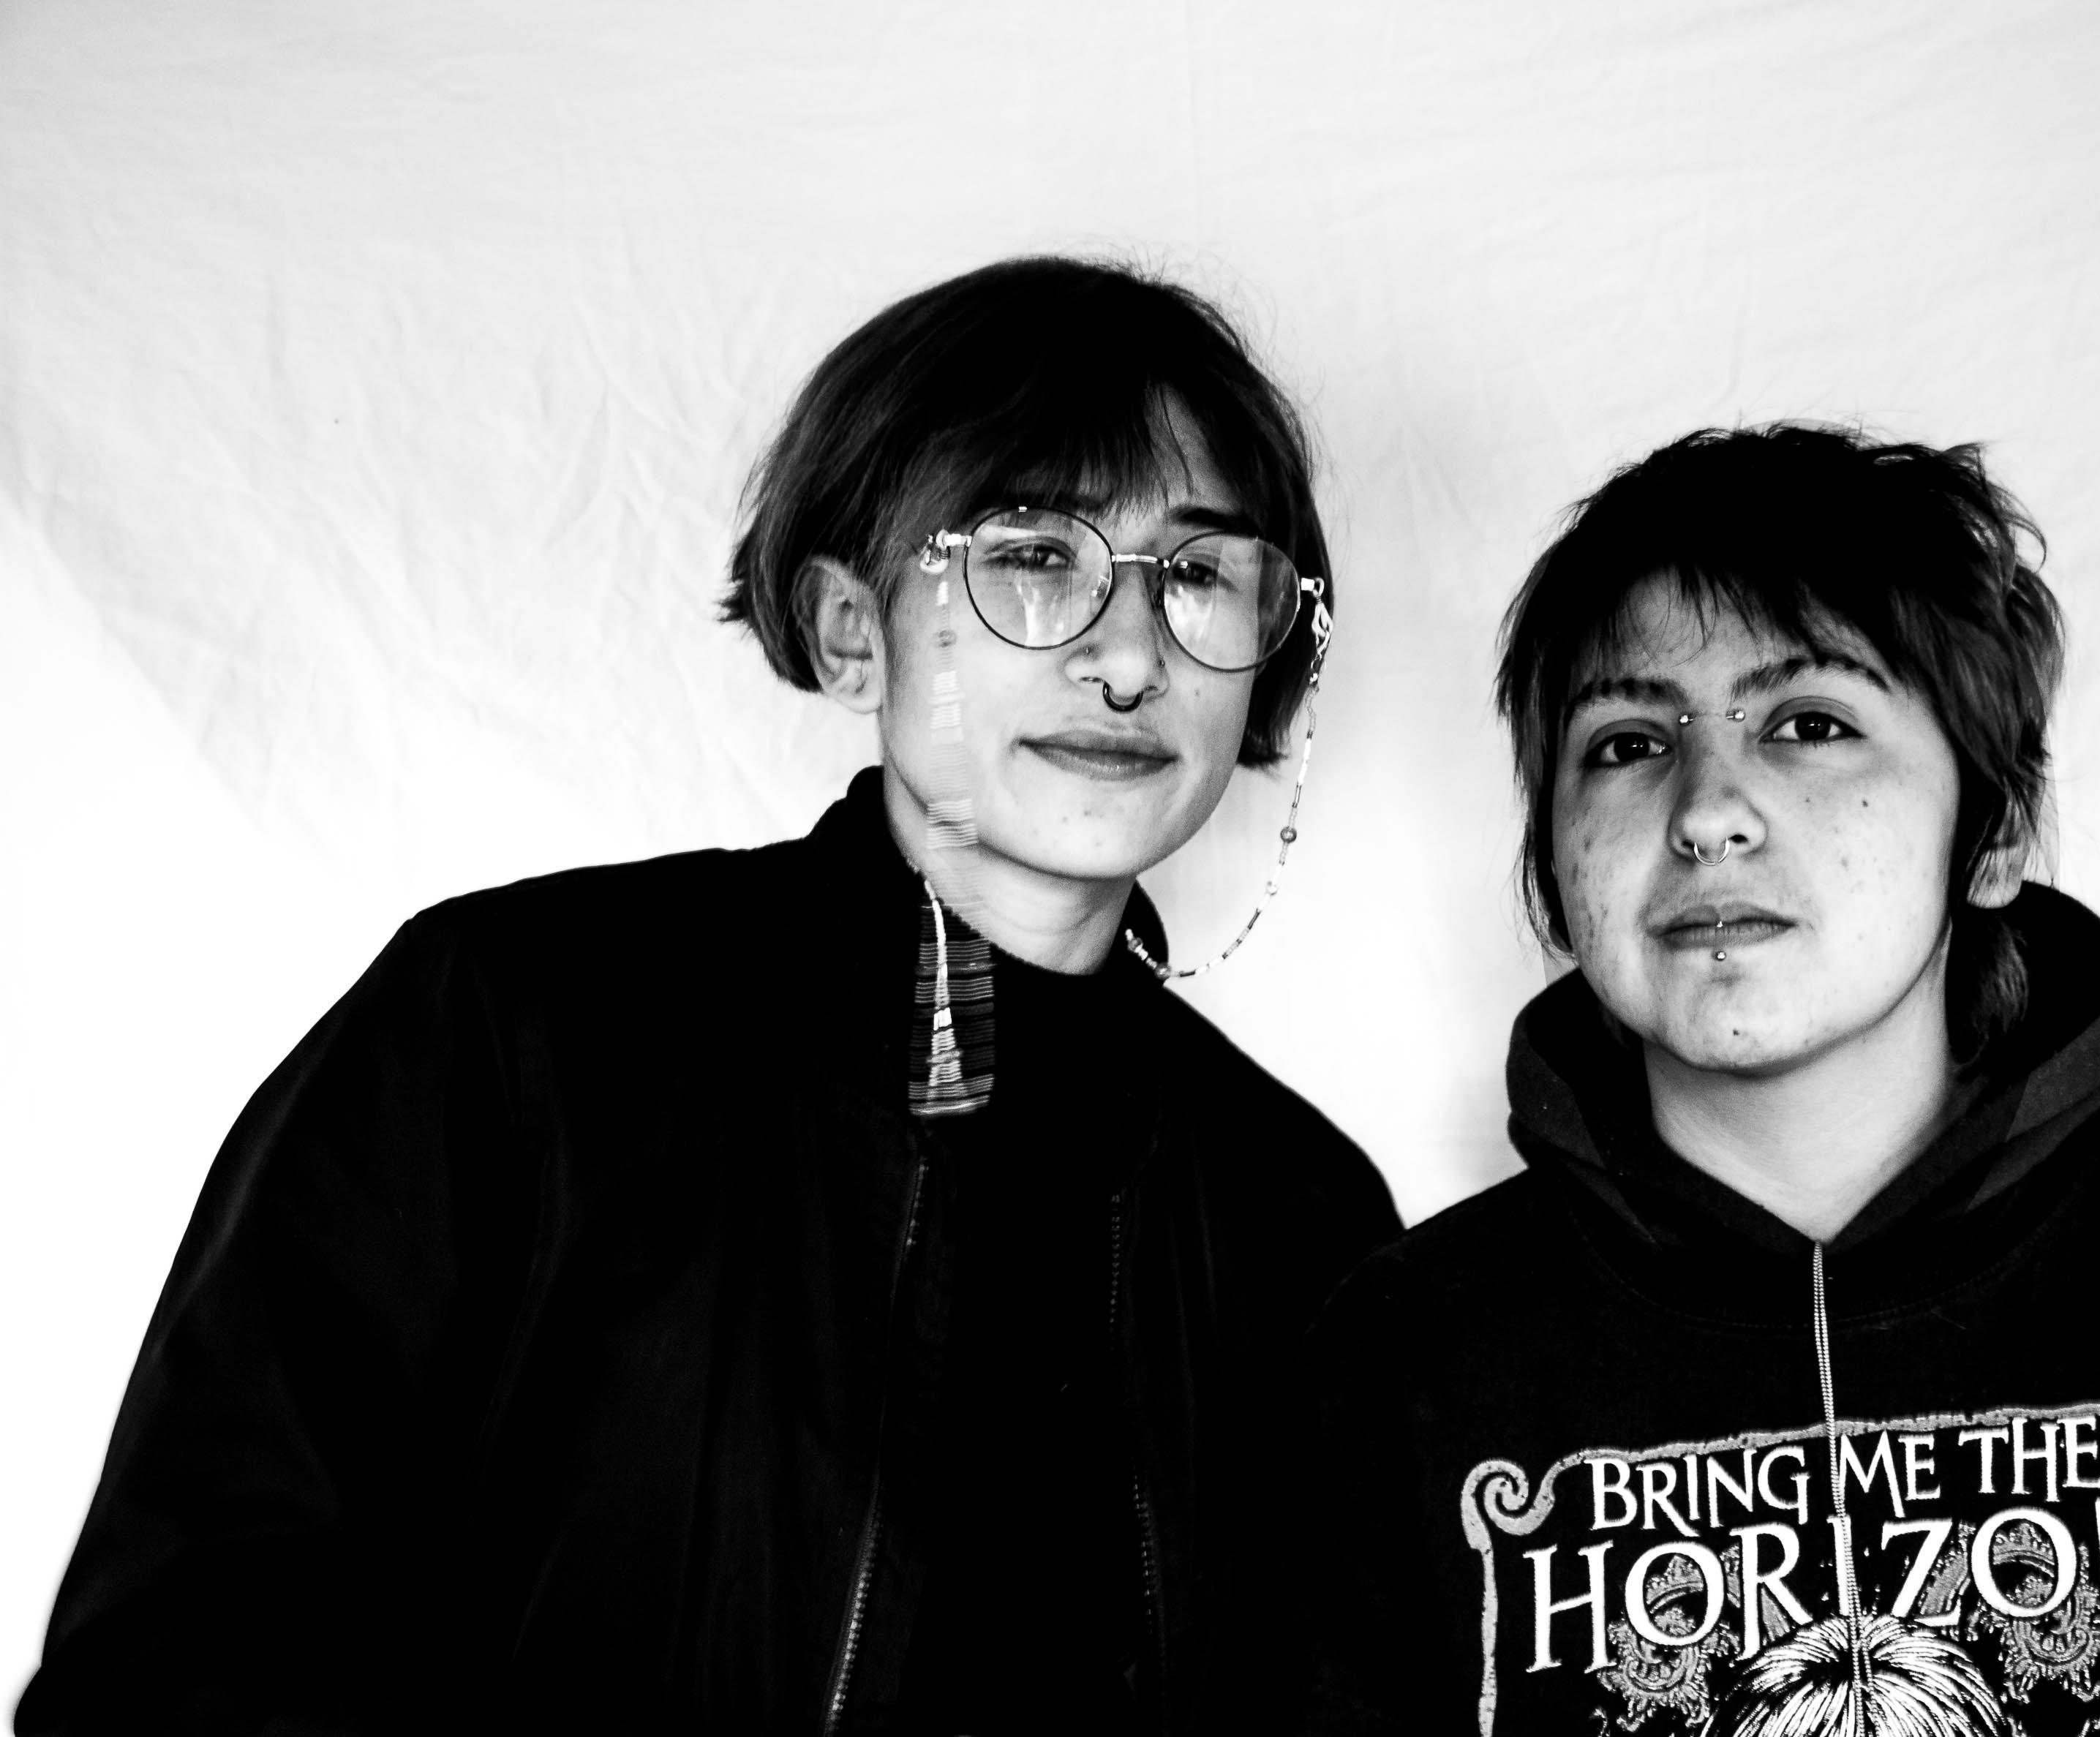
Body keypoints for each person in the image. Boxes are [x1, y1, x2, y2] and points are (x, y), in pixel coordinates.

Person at [19, 257, 1399, 1736]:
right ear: (853, 627)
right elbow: (171, 1662)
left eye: (1197, 574)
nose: (1128, 657)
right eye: (1034, 557)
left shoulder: (1303, 1217)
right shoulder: (519, 1031)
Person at [1298, 425, 2100, 1736]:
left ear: (1997, 829)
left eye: (1809, 724)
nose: (1707, 812)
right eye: (1628, 743)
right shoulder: (1408, 1344)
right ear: (1552, 864)